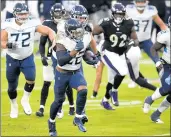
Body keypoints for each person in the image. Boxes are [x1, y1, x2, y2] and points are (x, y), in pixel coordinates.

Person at [93, 3, 157, 109]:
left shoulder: (128, 23)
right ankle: (114, 91)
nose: (119, 17)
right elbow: (93, 32)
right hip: (108, 52)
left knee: (112, 79)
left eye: (121, 14)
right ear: (112, 14)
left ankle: (104, 100)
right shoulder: (106, 23)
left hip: (120, 53)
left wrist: (133, 42)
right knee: (122, 72)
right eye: (117, 15)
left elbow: (135, 39)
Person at [1, 3, 56, 118]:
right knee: (12, 86)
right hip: (13, 57)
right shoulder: (8, 24)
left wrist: (54, 41)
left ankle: (25, 99)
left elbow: (49, 31)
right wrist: (9, 45)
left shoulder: (33, 23)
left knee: (31, 78)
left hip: (27, 57)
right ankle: (14, 105)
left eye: (25, 13)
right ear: (15, 14)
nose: (23, 16)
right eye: (21, 14)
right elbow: (2, 42)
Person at [48, 18, 97, 136]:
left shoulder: (85, 36)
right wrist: (74, 51)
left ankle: (78, 117)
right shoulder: (61, 40)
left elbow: (85, 52)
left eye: (79, 31)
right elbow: (61, 60)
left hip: (75, 71)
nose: (78, 34)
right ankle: (51, 122)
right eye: (75, 32)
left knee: (83, 89)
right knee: (59, 101)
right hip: (62, 73)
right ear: (69, 32)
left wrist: (91, 58)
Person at [35, 3, 75, 118]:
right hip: (51, 55)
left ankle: (68, 106)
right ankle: (41, 107)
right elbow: (42, 43)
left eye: (60, 13)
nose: (58, 16)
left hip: (63, 57)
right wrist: (42, 56)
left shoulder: (68, 24)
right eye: (56, 14)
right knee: (47, 81)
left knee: (64, 83)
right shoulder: (47, 24)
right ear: (52, 14)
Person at [126, 0, 168, 88]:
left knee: (158, 62)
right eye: (138, 1)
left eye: (142, 1)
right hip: (133, 41)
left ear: (146, 2)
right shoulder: (129, 10)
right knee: (129, 62)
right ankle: (139, 80)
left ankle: (163, 82)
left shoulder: (151, 10)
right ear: (135, 2)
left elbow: (161, 24)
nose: (140, 3)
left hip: (146, 40)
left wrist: (167, 33)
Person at [143, 16, 170, 123]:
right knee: (168, 88)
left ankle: (156, 114)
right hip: (166, 65)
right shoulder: (166, 36)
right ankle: (150, 99)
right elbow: (153, 48)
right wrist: (157, 61)